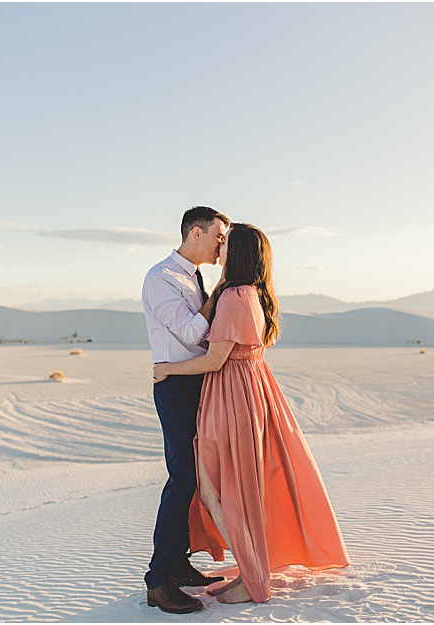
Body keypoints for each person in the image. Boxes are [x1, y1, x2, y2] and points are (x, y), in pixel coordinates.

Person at [153, 223, 350, 604]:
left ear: (237, 252)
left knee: (216, 492)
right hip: (249, 391)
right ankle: (249, 570)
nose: (219, 247)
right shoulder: (252, 292)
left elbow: (214, 360)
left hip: (230, 399)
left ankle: (252, 576)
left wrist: (168, 368)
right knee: (237, 488)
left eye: (225, 243)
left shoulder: (233, 297)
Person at [141, 206, 230, 614]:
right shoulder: (160, 279)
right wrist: (223, 288)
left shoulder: (194, 276)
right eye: (218, 235)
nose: (221, 243)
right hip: (176, 387)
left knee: (195, 479)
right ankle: (159, 581)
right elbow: (196, 333)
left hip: (197, 382)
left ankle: (178, 565)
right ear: (196, 233)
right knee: (181, 479)